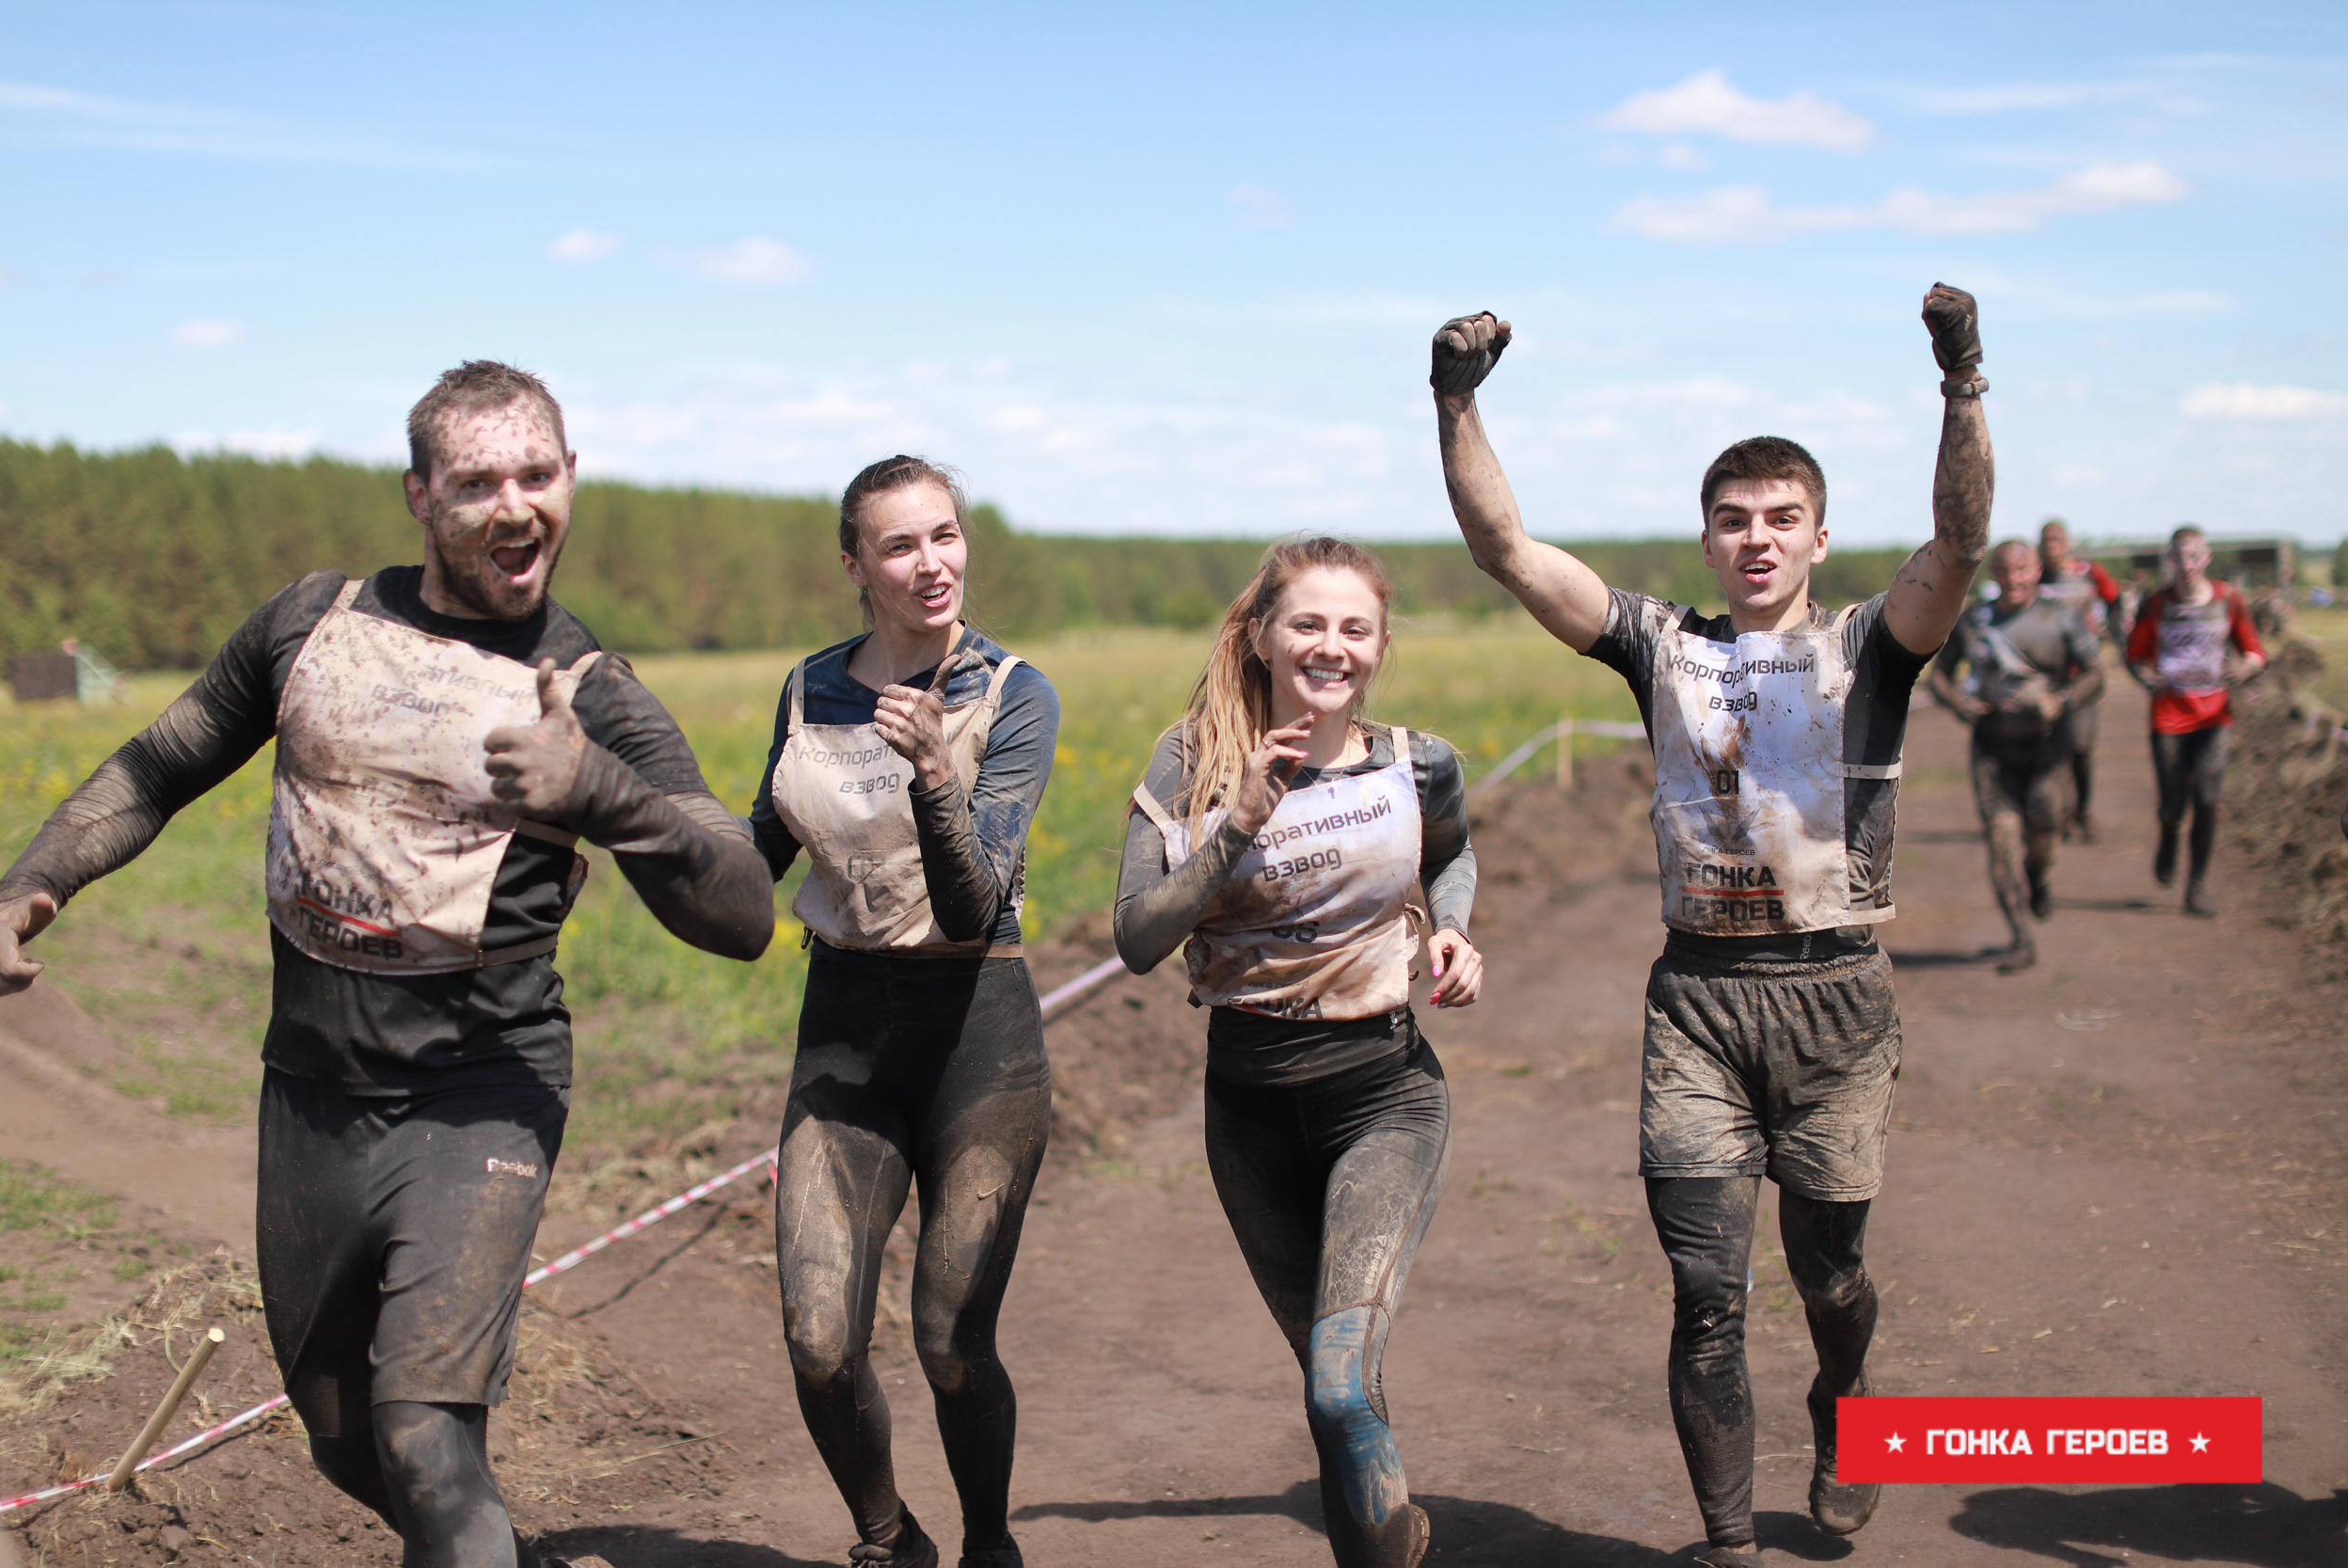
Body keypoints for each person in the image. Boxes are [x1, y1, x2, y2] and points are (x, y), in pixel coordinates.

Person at [0, 362, 774, 1568]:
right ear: (420, 494)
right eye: (476, 481)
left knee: (423, 1432)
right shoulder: (314, 623)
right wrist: (28, 884)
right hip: (309, 1087)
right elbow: (156, 767)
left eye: (535, 474)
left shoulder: (589, 693)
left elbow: (742, 909)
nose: (513, 505)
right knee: (344, 1437)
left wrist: (602, 795)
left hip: (480, 1091)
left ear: (571, 479)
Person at [1432, 285, 1993, 1565]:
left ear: (1817, 535)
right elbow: (1507, 549)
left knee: (1830, 1274)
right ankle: (1731, 1539)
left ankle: (1847, 1402)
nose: (1758, 540)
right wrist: (1454, 398)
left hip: (1838, 1002)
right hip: (1696, 1003)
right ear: (1705, 538)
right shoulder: (1657, 646)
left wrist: (1963, 382)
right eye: (1735, 521)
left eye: (1782, 520)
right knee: (1705, 1297)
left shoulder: (1872, 645)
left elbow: (1958, 544)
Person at [1112, 535, 1481, 1568]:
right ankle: (1386, 1539)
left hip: (1384, 1096)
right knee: (1335, 1388)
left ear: (1379, 643)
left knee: (1336, 1378)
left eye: (1354, 627)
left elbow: (1451, 853)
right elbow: (1137, 938)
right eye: (1308, 623)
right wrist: (1237, 824)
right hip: (1247, 1111)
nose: (1332, 645)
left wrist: (1450, 927)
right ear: (1263, 635)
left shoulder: (1416, 759)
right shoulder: (1186, 762)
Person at [747, 455, 1059, 1568]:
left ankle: (989, 1543)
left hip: (980, 1041)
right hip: (843, 1040)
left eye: (945, 535)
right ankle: (889, 1537)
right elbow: (751, 862)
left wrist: (934, 769)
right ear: (855, 566)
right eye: (899, 544)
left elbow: (973, 904)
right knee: (819, 1342)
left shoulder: (1013, 692)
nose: (931, 563)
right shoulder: (807, 691)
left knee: (948, 1339)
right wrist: (636, 838)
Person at [1928, 542, 2104, 971]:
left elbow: (2097, 675)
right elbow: (1940, 677)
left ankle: (2039, 876)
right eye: (2005, 571)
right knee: (2002, 841)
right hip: (1993, 749)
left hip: (2048, 749)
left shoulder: (2060, 618)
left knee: (2043, 833)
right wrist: (1959, 704)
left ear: (2037, 571)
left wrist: (2061, 702)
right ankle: (2020, 939)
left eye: (2022, 570)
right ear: (1995, 574)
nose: (2014, 579)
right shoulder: (1973, 621)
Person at [2125, 526, 2265, 917]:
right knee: (2173, 804)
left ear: (2206, 559)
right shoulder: (2155, 605)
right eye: (2178, 558)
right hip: (2168, 716)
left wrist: (2245, 667)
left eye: (2194, 557)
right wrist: (2144, 676)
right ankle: (2168, 834)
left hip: (2214, 715)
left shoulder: (2229, 599)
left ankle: (2196, 887)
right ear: (2169, 561)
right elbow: (2134, 654)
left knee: (2206, 799)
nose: (2186, 566)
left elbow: (2254, 650)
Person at [2035, 519, 2123, 841]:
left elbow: (2115, 600)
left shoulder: (2090, 573)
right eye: (2046, 541)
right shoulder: (2035, 576)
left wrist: (2112, 634)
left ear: (2069, 543)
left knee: (2081, 746)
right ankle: (2058, 813)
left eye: (2058, 540)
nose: (2052, 547)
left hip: (2082, 675)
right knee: (2052, 749)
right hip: (2046, 675)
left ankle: (2083, 809)